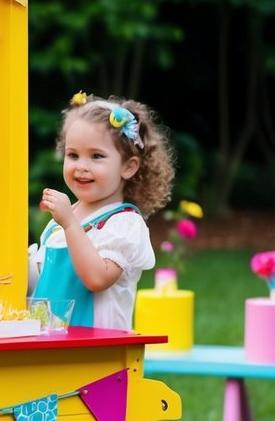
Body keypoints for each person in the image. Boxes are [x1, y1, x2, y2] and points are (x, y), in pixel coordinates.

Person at [30, 92, 174, 329]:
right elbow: (42, 283)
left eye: (96, 156)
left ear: (128, 167)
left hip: (99, 353)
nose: (81, 167)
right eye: (73, 155)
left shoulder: (124, 223)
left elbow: (97, 278)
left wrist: (69, 224)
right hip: (51, 346)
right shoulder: (60, 222)